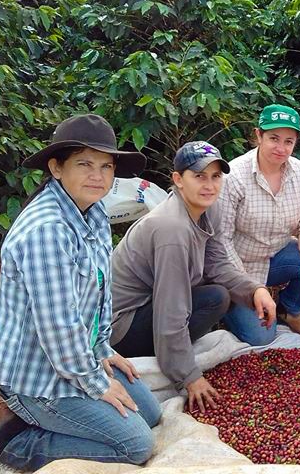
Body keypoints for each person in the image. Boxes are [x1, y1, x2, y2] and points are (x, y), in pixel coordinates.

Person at [0, 114, 161, 470]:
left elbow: (96, 300)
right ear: (57, 168)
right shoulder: (47, 230)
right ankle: (15, 442)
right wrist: (96, 383)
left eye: (106, 166)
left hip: (72, 358)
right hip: (37, 376)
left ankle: (43, 421)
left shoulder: (92, 213)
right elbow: (59, 327)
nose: (98, 176)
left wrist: (102, 349)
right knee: (136, 445)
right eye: (85, 164)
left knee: (149, 412)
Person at [110, 141, 277, 413]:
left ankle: (171, 352)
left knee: (218, 296)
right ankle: (167, 359)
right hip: (122, 327)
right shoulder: (172, 230)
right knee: (207, 300)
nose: (209, 185)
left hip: (153, 305)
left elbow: (217, 263)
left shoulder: (207, 208)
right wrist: (190, 376)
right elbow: (170, 310)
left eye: (215, 177)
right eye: (199, 176)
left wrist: (254, 290)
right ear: (178, 180)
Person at [216, 104, 300, 345]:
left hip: (276, 256)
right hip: (240, 265)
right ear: (258, 135)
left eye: (289, 142)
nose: (281, 148)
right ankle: (230, 306)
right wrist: (251, 288)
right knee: (261, 337)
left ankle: (288, 310)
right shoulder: (234, 176)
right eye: (274, 138)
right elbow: (221, 239)